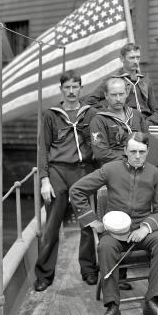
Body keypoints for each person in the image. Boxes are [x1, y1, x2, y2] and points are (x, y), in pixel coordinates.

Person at [69, 132, 158, 315]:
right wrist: (93, 221)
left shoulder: (156, 174)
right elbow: (77, 190)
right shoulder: (110, 169)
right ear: (125, 151)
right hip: (115, 231)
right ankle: (112, 307)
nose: (137, 156)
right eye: (133, 151)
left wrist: (145, 228)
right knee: (105, 246)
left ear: (147, 152)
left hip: (143, 230)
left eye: (142, 152)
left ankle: (153, 301)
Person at [34, 70, 98, 291]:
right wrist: (44, 180)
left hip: (84, 171)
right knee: (52, 226)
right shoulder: (51, 115)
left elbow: (99, 146)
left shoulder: (90, 114)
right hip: (58, 172)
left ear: (81, 88)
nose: (71, 91)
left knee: (88, 223)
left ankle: (89, 269)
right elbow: (43, 149)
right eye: (67, 87)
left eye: (75, 86)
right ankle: (44, 274)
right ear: (61, 89)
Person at [85, 43, 158, 127]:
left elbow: (155, 110)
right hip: (124, 125)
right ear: (122, 59)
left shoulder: (146, 81)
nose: (136, 61)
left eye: (138, 57)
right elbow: (90, 101)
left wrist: (148, 123)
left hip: (146, 125)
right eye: (132, 58)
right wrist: (109, 114)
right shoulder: (112, 81)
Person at [90, 78, 144, 164]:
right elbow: (100, 152)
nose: (118, 99)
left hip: (138, 165)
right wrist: (127, 161)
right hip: (113, 167)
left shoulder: (136, 115)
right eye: (114, 95)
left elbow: (148, 142)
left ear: (126, 93)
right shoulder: (99, 120)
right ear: (106, 95)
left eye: (121, 94)